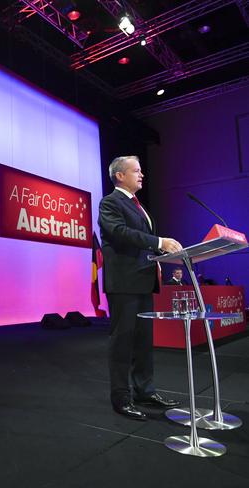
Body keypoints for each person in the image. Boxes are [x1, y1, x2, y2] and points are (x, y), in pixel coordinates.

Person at [98, 156, 183, 420]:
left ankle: (145, 391)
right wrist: (159, 241)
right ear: (120, 175)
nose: (142, 174)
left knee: (144, 342)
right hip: (124, 284)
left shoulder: (139, 206)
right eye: (136, 170)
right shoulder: (110, 202)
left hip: (144, 282)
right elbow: (119, 232)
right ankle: (121, 398)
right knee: (123, 342)